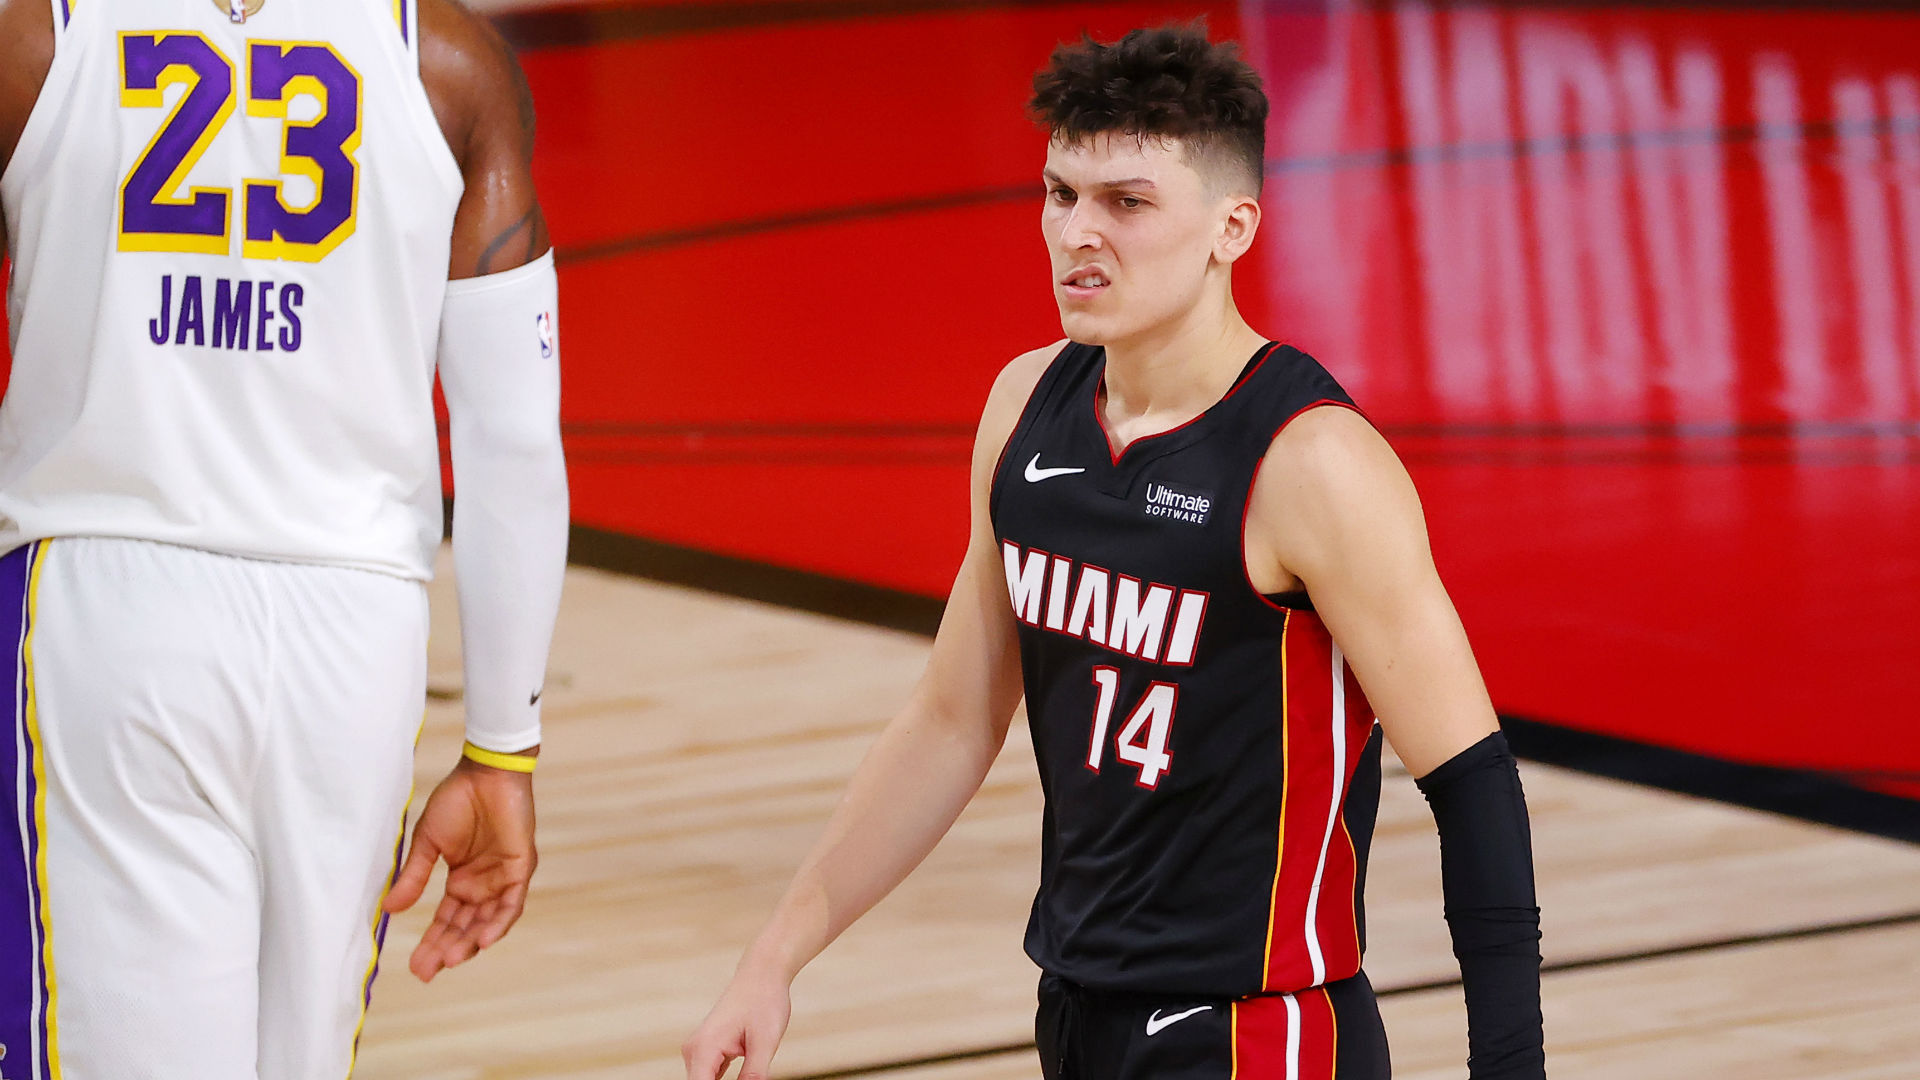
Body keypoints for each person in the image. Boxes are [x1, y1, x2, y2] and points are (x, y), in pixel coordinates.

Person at [684, 25, 1545, 1080]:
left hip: (1254, 1035)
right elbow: (953, 719)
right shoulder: (1024, 406)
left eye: (1127, 203)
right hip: (1075, 1012)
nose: (1078, 234)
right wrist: (775, 958)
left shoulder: (1311, 465)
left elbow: (1473, 783)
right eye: (1060, 195)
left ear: (1234, 226)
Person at [0, 0, 567, 1074]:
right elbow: (514, 443)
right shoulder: (447, 58)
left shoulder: (36, 37)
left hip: (107, 615)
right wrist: (501, 747)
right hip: (353, 641)